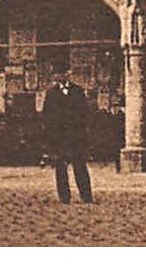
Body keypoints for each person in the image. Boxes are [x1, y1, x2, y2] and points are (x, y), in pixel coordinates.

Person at [40, 69, 94, 204]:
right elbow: (47, 116)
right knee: (60, 167)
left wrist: (82, 132)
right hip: (59, 137)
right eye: (56, 74)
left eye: (60, 74)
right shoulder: (51, 94)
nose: (58, 76)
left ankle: (86, 196)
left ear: (67, 74)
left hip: (76, 136)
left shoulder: (78, 91)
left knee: (80, 166)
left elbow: (85, 113)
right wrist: (51, 134)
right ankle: (64, 197)